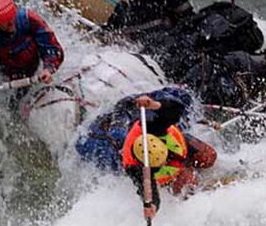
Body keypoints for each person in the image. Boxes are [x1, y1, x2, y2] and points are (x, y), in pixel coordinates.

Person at [75, 87, 217, 218]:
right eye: (160, 162)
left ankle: (190, 167)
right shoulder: (134, 167)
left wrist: (154, 104)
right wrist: (153, 206)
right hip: (160, 165)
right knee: (189, 185)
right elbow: (148, 191)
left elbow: (177, 108)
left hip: (173, 144)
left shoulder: (152, 125)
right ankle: (196, 186)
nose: (164, 161)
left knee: (209, 156)